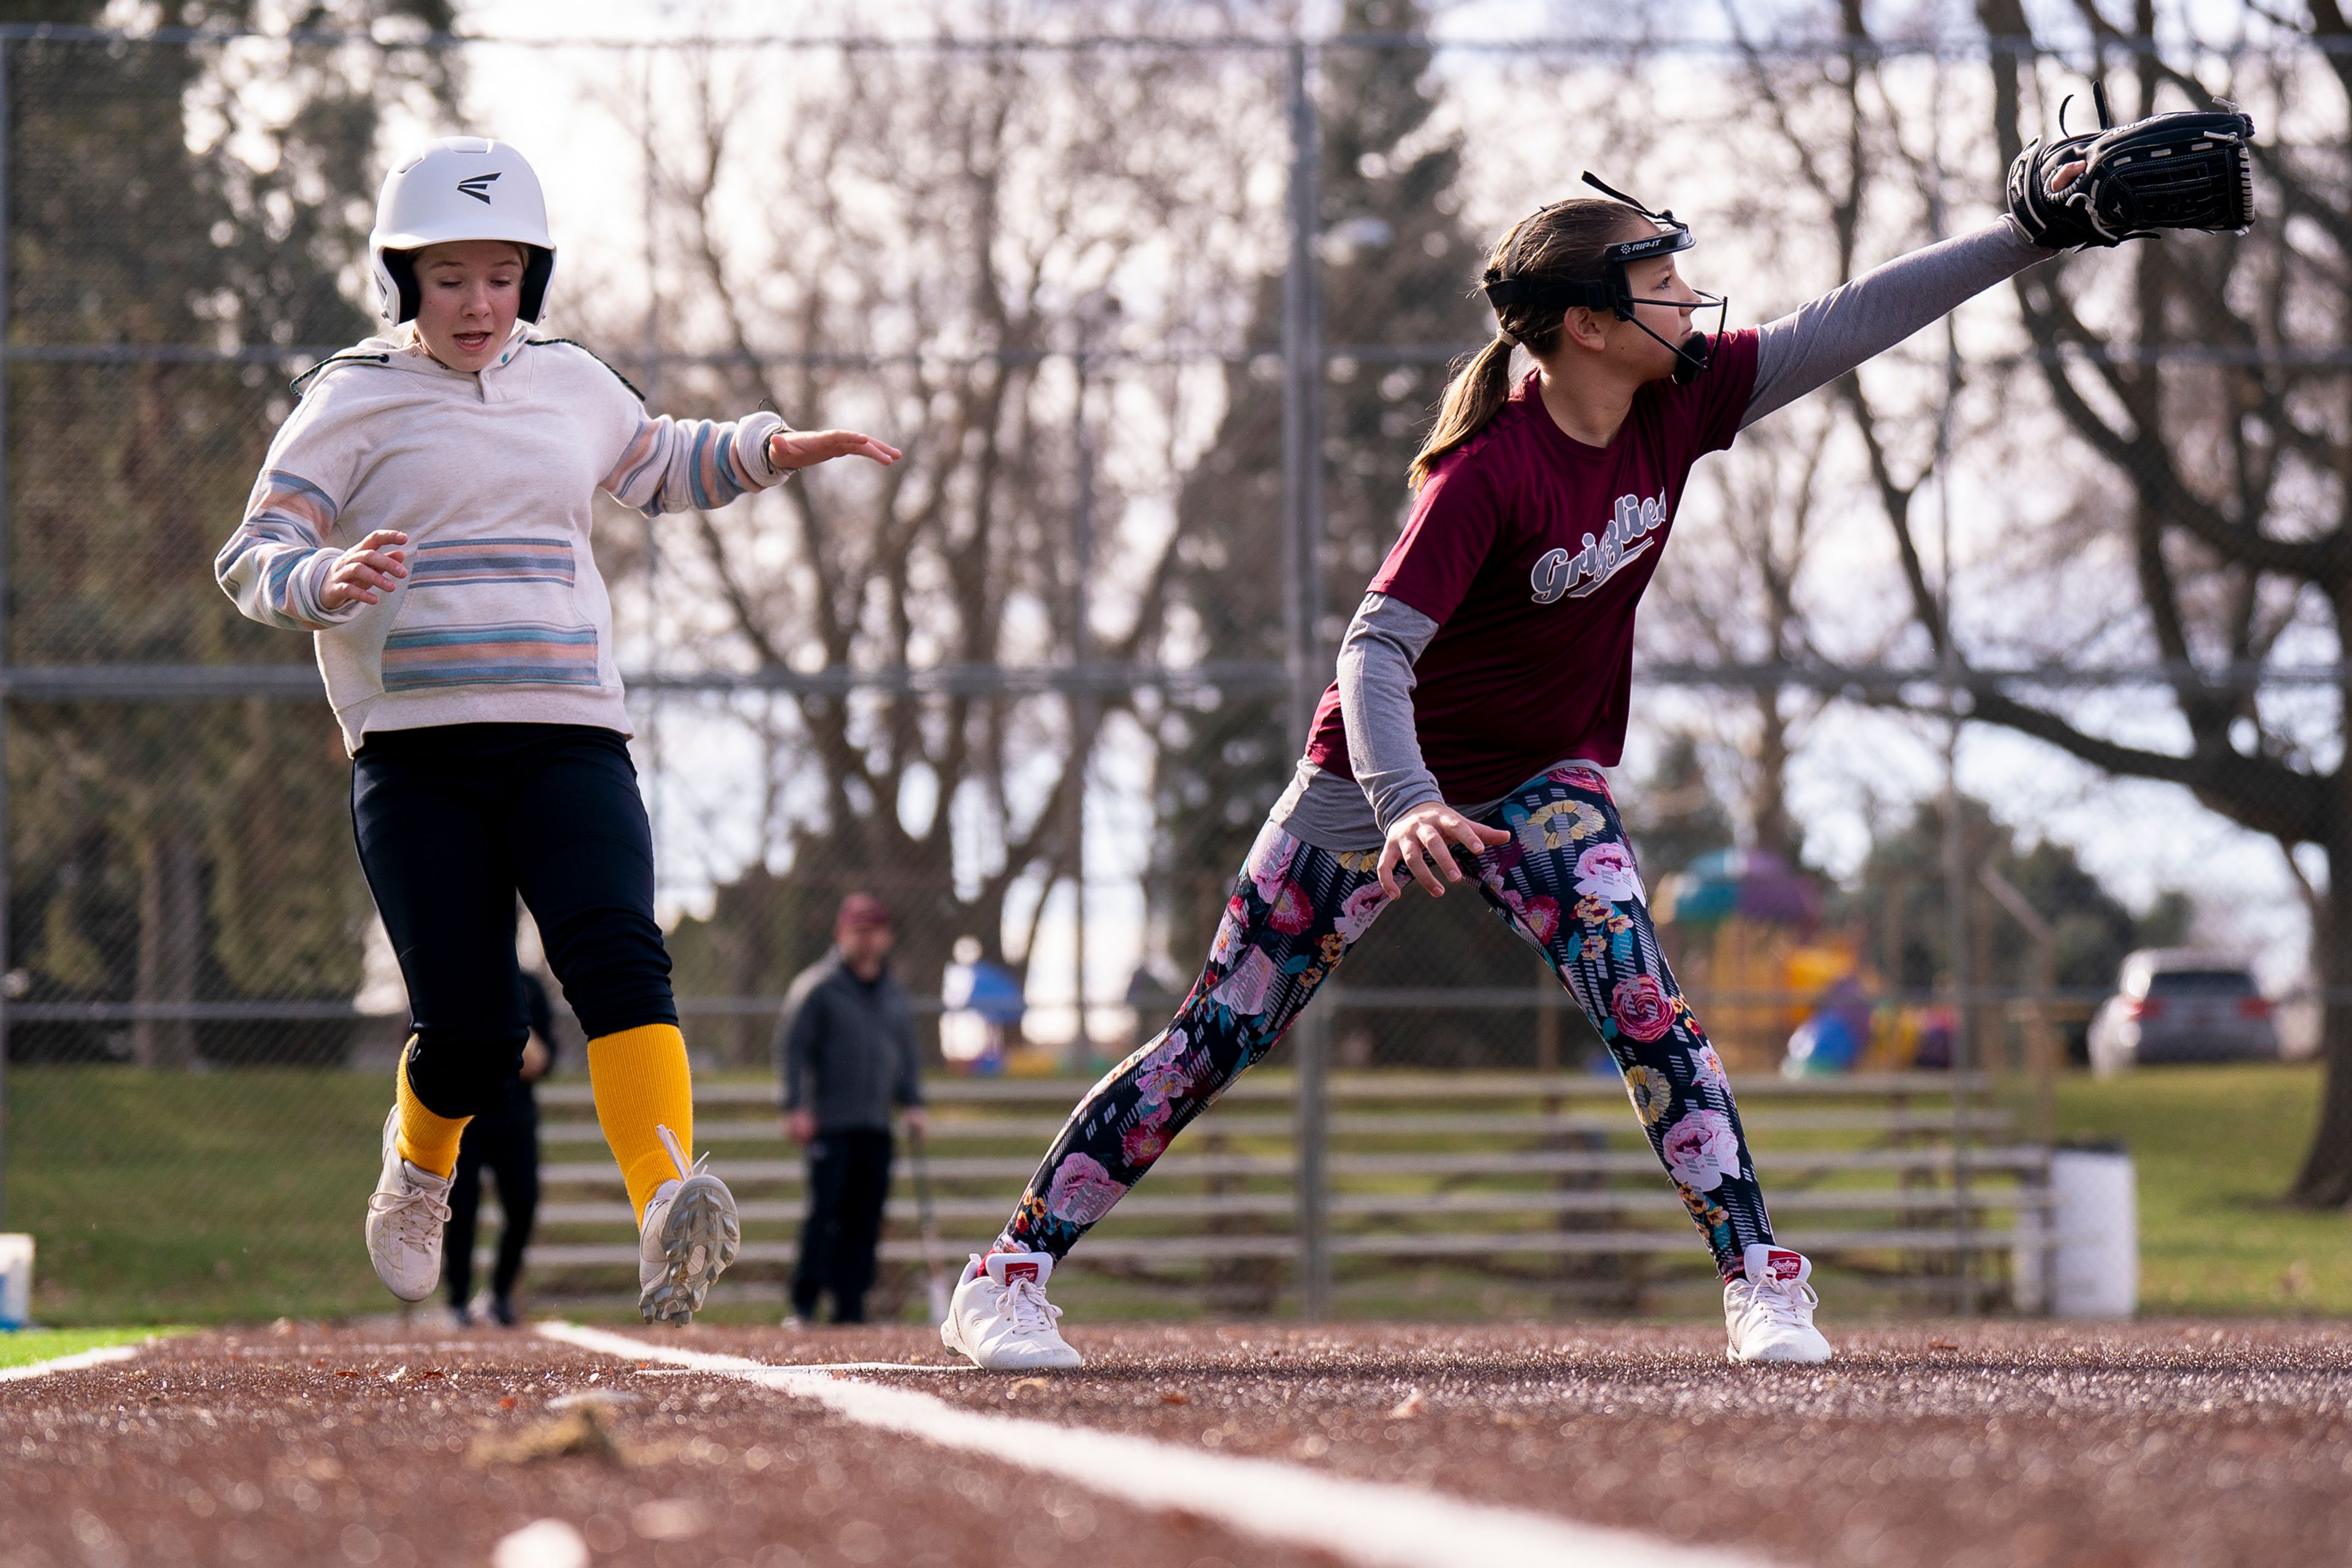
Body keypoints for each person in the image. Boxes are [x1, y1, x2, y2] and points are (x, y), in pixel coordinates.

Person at [941, 158, 2162, 1373]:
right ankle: (1010, 1270)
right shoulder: (1488, 472)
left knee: (1643, 997)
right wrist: (1405, 801)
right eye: (1660, 279)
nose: (1688, 300)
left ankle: (1760, 1278)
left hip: (1541, 774)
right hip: (1372, 782)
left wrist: (2030, 233)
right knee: (1219, 1032)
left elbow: (1847, 324)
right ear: (1587, 325)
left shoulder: (1681, 399)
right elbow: (1374, 653)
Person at [214, 137, 900, 1323]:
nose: (477, 302)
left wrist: (769, 448)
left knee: (621, 960)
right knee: (474, 1032)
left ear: (529, 277)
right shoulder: (353, 396)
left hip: (569, 733)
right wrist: (323, 578)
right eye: (448, 278)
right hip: (418, 755)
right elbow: (250, 555)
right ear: (403, 283)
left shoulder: (571, 378)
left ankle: (665, 1198)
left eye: (499, 275)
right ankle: (420, 1163)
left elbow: (658, 457)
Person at [778, 894, 930, 1324]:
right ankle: (803, 1304)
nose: (866, 941)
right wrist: (795, 1106)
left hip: (876, 1125)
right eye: (857, 931)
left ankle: (850, 1308)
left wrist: (914, 1104)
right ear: (841, 934)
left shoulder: (895, 994)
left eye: (873, 931)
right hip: (830, 1124)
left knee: (866, 1219)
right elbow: (792, 1051)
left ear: (886, 937)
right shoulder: (818, 988)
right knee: (825, 1214)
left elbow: (905, 1058)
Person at [445, 968, 557, 1327]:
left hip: (515, 1117)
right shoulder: (451, 977)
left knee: (523, 1204)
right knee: (461, 1210)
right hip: (464, 1116)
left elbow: (543, 1058)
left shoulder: (528, 986)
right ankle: (458, 1300)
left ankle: (500, 1295)